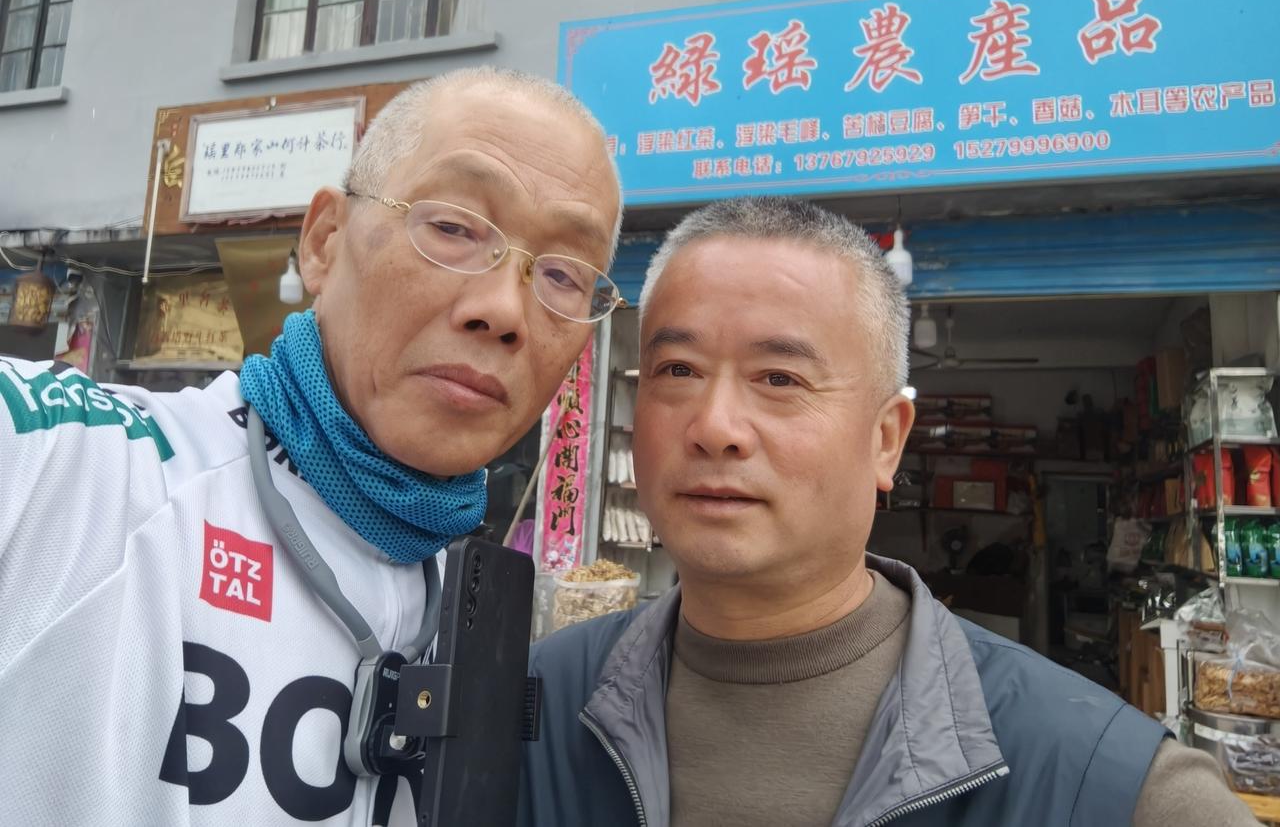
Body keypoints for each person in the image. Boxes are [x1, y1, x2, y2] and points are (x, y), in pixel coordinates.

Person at [0, 67, 623, 825]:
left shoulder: (480, 615)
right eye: (454, 228)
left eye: (563, 274)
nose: (504, 310)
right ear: (325, 242)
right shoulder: (82, 473)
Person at [518, 196, 1259, 827]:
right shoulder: (528, 706)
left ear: (885, 441)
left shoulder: (1112, 785)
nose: (715, 426)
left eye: (780, 378)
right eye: (678, 369)